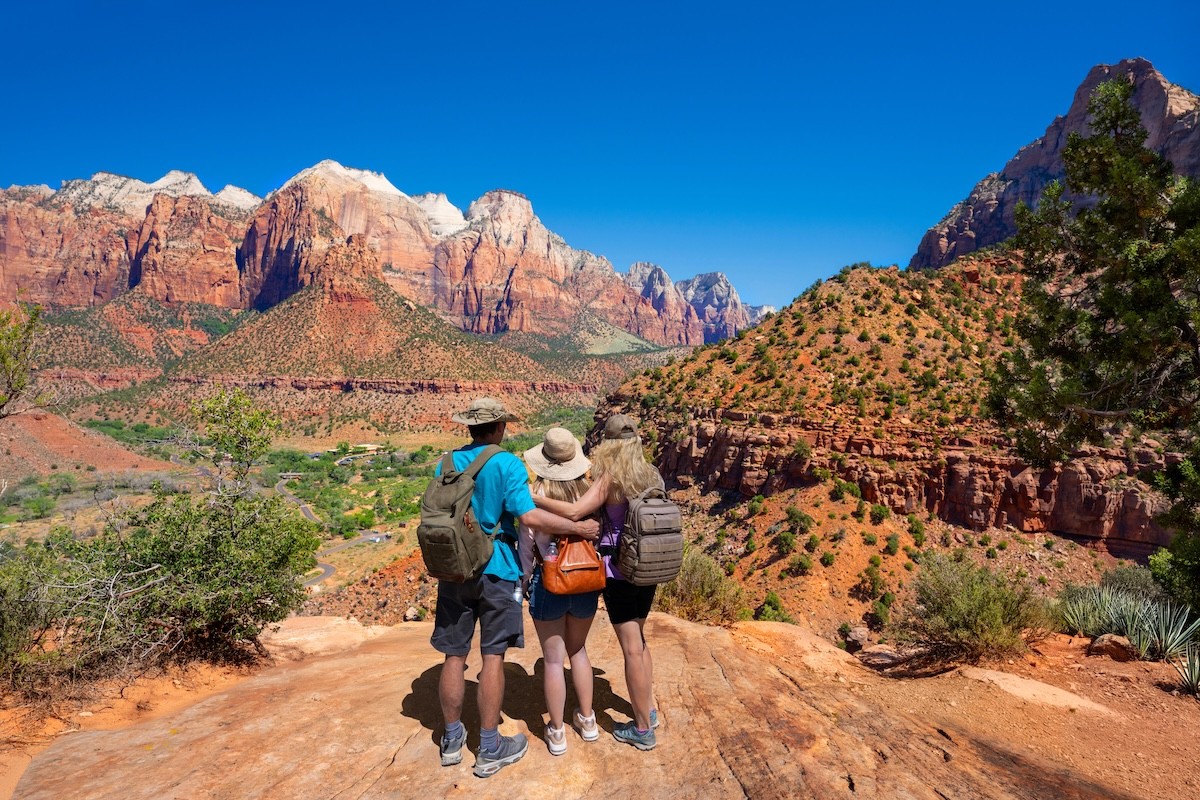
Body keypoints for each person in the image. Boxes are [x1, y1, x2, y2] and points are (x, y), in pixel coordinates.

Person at [432, 398, 600, 779]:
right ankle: (489, 747)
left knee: (454, 655)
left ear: (471, 428)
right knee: (493, 657)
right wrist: (576, 527)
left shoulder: (444, 462)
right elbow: (527, 516)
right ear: (499, 428)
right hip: (498, 568)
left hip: (454, 569)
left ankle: (452, 740)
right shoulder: (506, 463)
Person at [531, 413, 663, 751]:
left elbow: (575, 513)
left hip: (619, 571)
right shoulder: (652, 475)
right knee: (642, 642)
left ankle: (644, 729)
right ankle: (647, 708)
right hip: (649, 568)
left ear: (609, 444)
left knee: (631, 647)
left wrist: (533, 499)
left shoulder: (611, 477)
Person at [518, 427, 602, 756]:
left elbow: (526, 549)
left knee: (553, 660)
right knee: (578, 651)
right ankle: (588, 721)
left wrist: (523, 586)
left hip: (548, 582)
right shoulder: (590, 494)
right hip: (585, 581)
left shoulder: (533, 498)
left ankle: (556, 732)